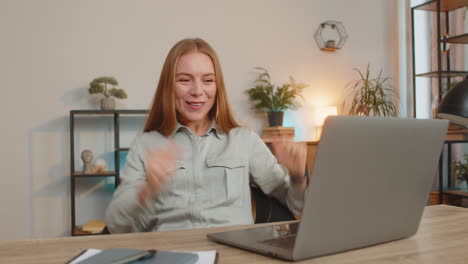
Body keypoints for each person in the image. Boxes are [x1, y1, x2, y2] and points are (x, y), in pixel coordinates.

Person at [105, 38, 308, 233]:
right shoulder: (146, 144)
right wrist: (147, 190)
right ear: (169, 86)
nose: (197, 91)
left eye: (208, 80)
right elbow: (116, 226)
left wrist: (298, 177)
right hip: (172, 255)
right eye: (184, 80)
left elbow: (298, 206)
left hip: (233, 253)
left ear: (217, 86)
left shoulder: (243, 140)